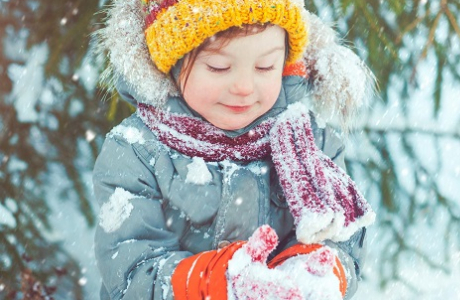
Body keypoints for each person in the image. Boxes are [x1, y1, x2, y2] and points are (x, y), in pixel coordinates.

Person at [93, 0, 376, 299]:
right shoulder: (138, 151)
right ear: (173, 62)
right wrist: (214, 283)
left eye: (265, 66)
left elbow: (342, 240)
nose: (243, 86)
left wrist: (313, 274)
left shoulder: (312, 142)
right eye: (219, 67)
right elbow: (130, 268)